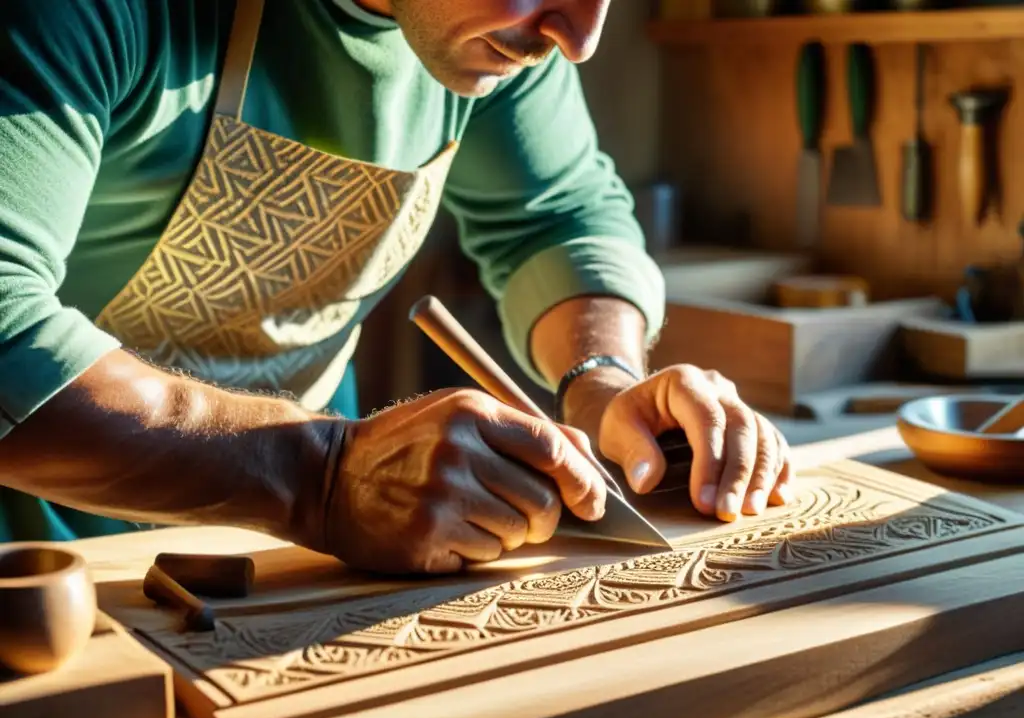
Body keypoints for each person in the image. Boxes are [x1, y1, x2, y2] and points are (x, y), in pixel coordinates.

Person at [0, 0, 792, 574]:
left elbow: (556, 219)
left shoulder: (503, 32)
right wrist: (316, 476)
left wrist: (601, 383)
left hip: (320, 550)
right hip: (40, 549)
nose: (580, 38)